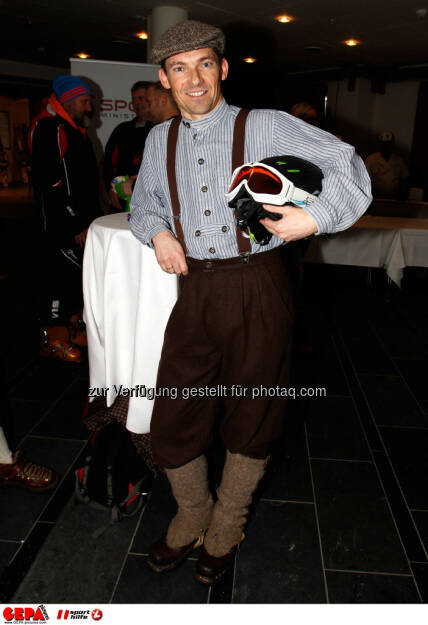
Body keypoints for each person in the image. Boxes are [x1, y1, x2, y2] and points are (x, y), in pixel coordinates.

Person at [130, 19, 372, 585]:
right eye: (180, 68)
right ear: (164, 78)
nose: (194, 80)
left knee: (255, 405)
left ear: (223, 69)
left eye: (205, 65)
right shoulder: (157, 138)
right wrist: (159, 233)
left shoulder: (263, 124)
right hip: (195, 290)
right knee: (175, 407)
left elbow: (349, 167)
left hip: (259, 284)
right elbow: (143, 207)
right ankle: (192, 511)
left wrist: (315, 217)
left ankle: (226, 523)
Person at [30, 75, 101, 362]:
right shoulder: (50, 128)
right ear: (70, 101)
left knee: (76, 279)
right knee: (58, 281)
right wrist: (74, 224)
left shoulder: (73, 130)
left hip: (80, 222)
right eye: (85, 102)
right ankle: (52, 340)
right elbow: (51, 183)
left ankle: (71, 329)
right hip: (61, 227)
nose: (89, 108)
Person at [103, 81, 154, 211]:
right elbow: (107, 164)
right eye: (134, 99)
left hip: (151, 201)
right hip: (120, 199)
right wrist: (111, 189)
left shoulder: (161, 129)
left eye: (141, 98)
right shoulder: (122, 130)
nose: (137, 103)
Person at [365, 131, 409, 199]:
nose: (386, 147)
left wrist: (402, 195)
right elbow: (364, 179)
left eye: (388, 144)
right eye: (384, 144)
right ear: (379, 145)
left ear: (392, 145)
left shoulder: (398, 160)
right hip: (376, 198)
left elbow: (405, 178)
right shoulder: (371, 159)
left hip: (394, 198)